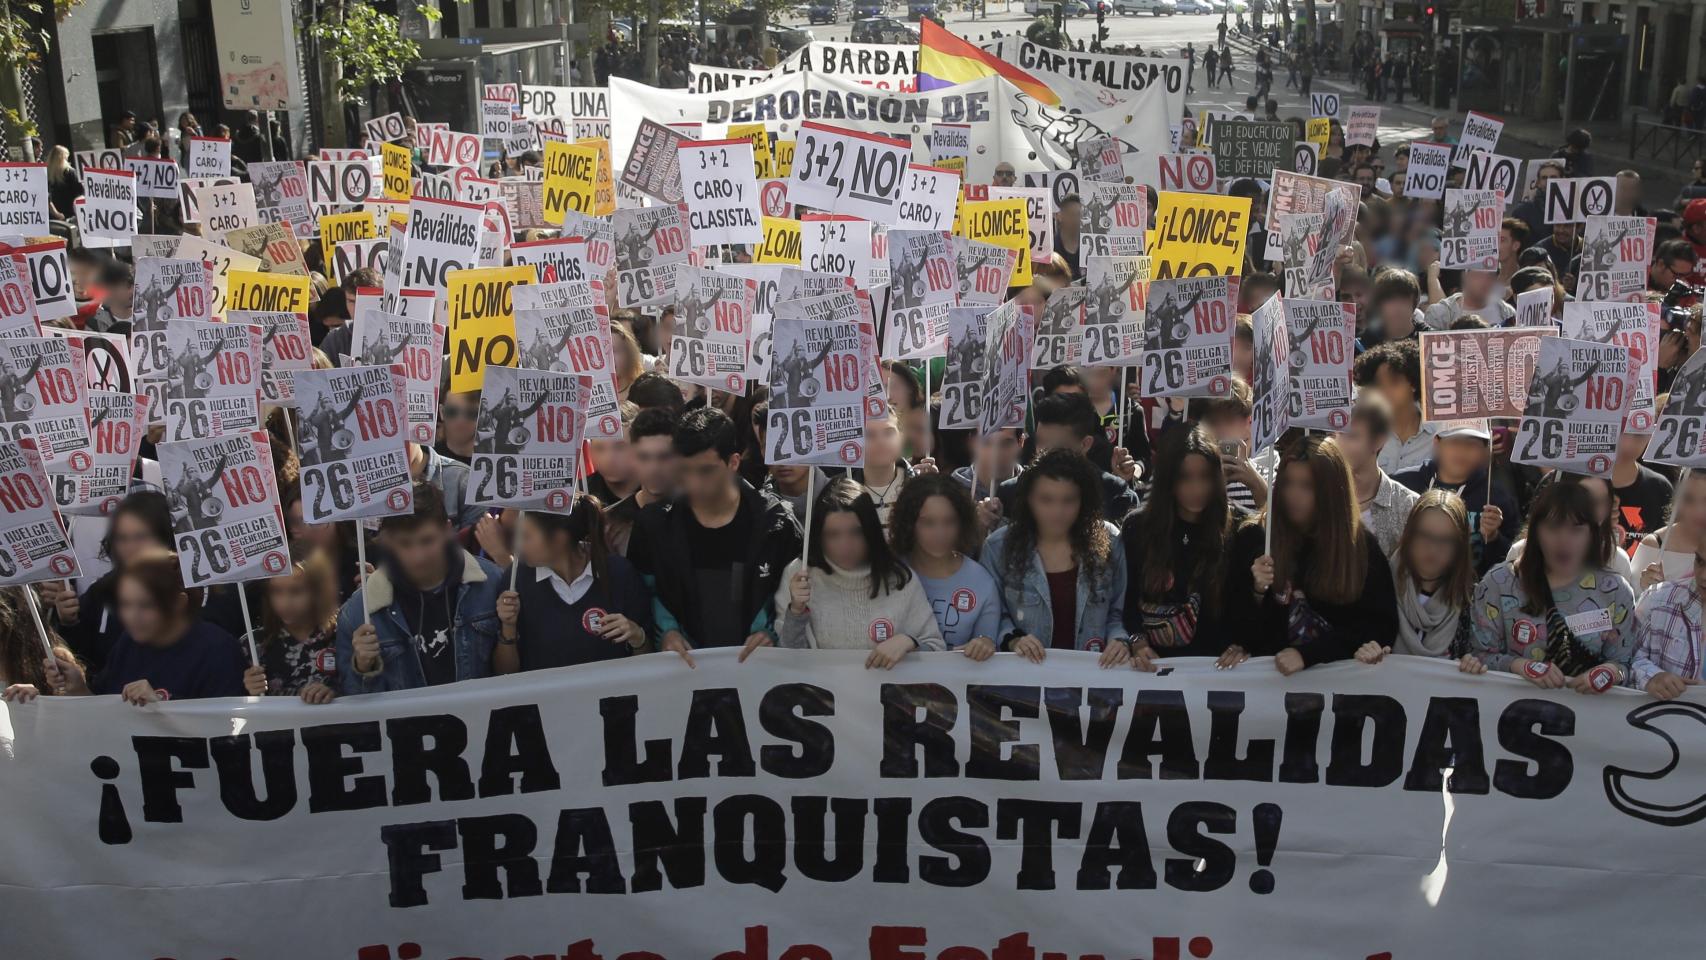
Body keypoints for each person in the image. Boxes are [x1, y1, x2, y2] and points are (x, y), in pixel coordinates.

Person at [630, 407, 801, 665]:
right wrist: (666, 631)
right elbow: (642, 592)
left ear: (733, 463)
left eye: (706, 471)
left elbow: (792, 597)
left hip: (757, 671)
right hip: (683, 671)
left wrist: (771, 631)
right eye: (685, 470)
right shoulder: (655, 525)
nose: (693, 482)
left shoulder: (776, 524)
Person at [1227, 435, 1399, 673]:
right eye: (1288, 483)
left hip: (1335, 691)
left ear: (1331, 492)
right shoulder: (1257, 538)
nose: (1294, 495)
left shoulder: (1359, 547)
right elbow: (1239, 629)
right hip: (1269, 688)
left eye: (1307, 486)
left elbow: (1379, 628)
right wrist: (1257, 592)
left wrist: (1310, 655)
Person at [334, 483, 504, 694]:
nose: (418, 556)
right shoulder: (359, 612)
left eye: (427, 540)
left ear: (447, 530)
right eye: (405, 543)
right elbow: (354, 699)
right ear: (387, 540)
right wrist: (363, 667)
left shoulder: (491, 583)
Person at [13, 551, 246, 705]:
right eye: (125, 604)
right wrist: (78, 688)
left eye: (145, 606)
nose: (131, 616)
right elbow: (105, 710)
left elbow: (226, 728)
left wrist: (162, 705)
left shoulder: (219, 650)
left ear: (179, 603)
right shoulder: (129, 643)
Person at [1469, 481, 1636, 692]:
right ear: (1535, 532)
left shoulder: (1615, 591)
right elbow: (1477, 656)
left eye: (1576, 529)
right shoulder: (1498, 583)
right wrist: (1520, 666)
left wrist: (1609, 673)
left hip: (1587, 709)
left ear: (1592, 534)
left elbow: (1625, 666)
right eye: (1553, 527)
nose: (1564, 540)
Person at [980, 449, 1130, 666]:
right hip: (1024, 679)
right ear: (1028, 499)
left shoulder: (1111, 540)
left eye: (1068, 500)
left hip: (1094, 678)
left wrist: (1120, 640)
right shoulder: (997, 547)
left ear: (1084, 500)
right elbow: (991, 614)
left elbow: (1118, 612)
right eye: (1046, 500)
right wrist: (1013, 639)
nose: (1057, 511)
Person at [775, 477, 942, 666]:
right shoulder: (799, 575)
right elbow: (788, 663)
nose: (845, 546)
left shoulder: (900, 578)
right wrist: (796, 612)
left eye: (856, 532)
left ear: (870, 531)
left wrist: (910, 642)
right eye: (833, 535)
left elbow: (936, 648)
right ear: (819, 536)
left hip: (887, 686)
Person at [1120, 426, 1241, 666]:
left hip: (1215, 669)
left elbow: (1242, 609)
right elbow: (1125, 599)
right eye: (1185, 477)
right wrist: (1137, 641)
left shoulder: (1237, 529)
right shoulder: (1138, 527)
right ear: (1168, 479)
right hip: (1152, 668)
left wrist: (1241, 644)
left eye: (1205, 476)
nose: (1197, 489)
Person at [494, 497, 652, 671]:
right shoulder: (516, 579)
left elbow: (649, 662)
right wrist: (508, 626)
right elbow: (504, 673)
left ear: (559, 538)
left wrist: (638, 637)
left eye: (526, 536)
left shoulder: (619, 572)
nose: (518, 545)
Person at [40, 491, 174, 674]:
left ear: (164, 537)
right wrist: (68, 622)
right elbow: (82, 658)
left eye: (141, 537)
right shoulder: (101, 591)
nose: (131, 547)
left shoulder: (187, 589)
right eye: (122, 538)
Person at [1356, 490, 1480, 665]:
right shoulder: (1377, 586)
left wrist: (1472, 665)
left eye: (1446, 540)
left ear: (1460, 547)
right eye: (1424, 536)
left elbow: (1481, 654)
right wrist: (1364, 653)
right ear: (1409, 535)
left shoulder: (1472, 601)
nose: (1433, 549)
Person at [889, 474, 1000, 657]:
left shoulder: (982, 583)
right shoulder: (888, 574)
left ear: (962, 523)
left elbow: (988, 645)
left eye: (949, 521)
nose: (940, 533)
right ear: (908, 523)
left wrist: (983, 645)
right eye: (928, 523)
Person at [1393, 420, 1518, 574]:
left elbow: (1510, 563)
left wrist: (1493, 537)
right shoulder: (1403, 483)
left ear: (1486, 449)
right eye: (1454, 441)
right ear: (1437, 442)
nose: (1462, 451)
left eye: (1471, 444)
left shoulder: (1497, 499)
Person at [993, 392, 1138, 525]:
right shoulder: (1012, 493)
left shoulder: (1115, 494)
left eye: (1057, 447)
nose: (1045, 453)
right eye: (1041, 442)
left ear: (1085, 444)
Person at [239, 547, 340, 703]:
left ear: (317, 592)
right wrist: (249, 691)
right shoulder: (252, 645)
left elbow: (361, 688)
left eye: (296, 591)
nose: (285, 603)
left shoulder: (340, 635)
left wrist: (335, 693)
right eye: (276, 591)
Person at [1337, 391, 1419, 556]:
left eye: (1352, 436)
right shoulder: (1322, 497)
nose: (1341, 444)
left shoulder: (1407, 506)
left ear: (1378, 442)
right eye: (1338, 435)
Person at [1630, 544, 1706, 698]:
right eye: (1700, 561)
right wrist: (1651, 677)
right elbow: (1625, 660)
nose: (1704, 575)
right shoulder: (1658, 600)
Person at [1354, 339, 1437, 474]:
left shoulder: (1439, 432)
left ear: (1413, 384)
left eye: (1394, 382)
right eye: (1377, 384)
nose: (1385, 391)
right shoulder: (1361, 433)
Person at [605, 406, 679, 555]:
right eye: (644, 457)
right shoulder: (608, 524)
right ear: (632, 458)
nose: (654, 468)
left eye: (664, 457)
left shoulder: (697, 513)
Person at [1634, 469, 1706, 593]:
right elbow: (1628, 602)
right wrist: (1648, 592)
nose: (1699, 510)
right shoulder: (1654, 546)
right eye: (1688, 499)